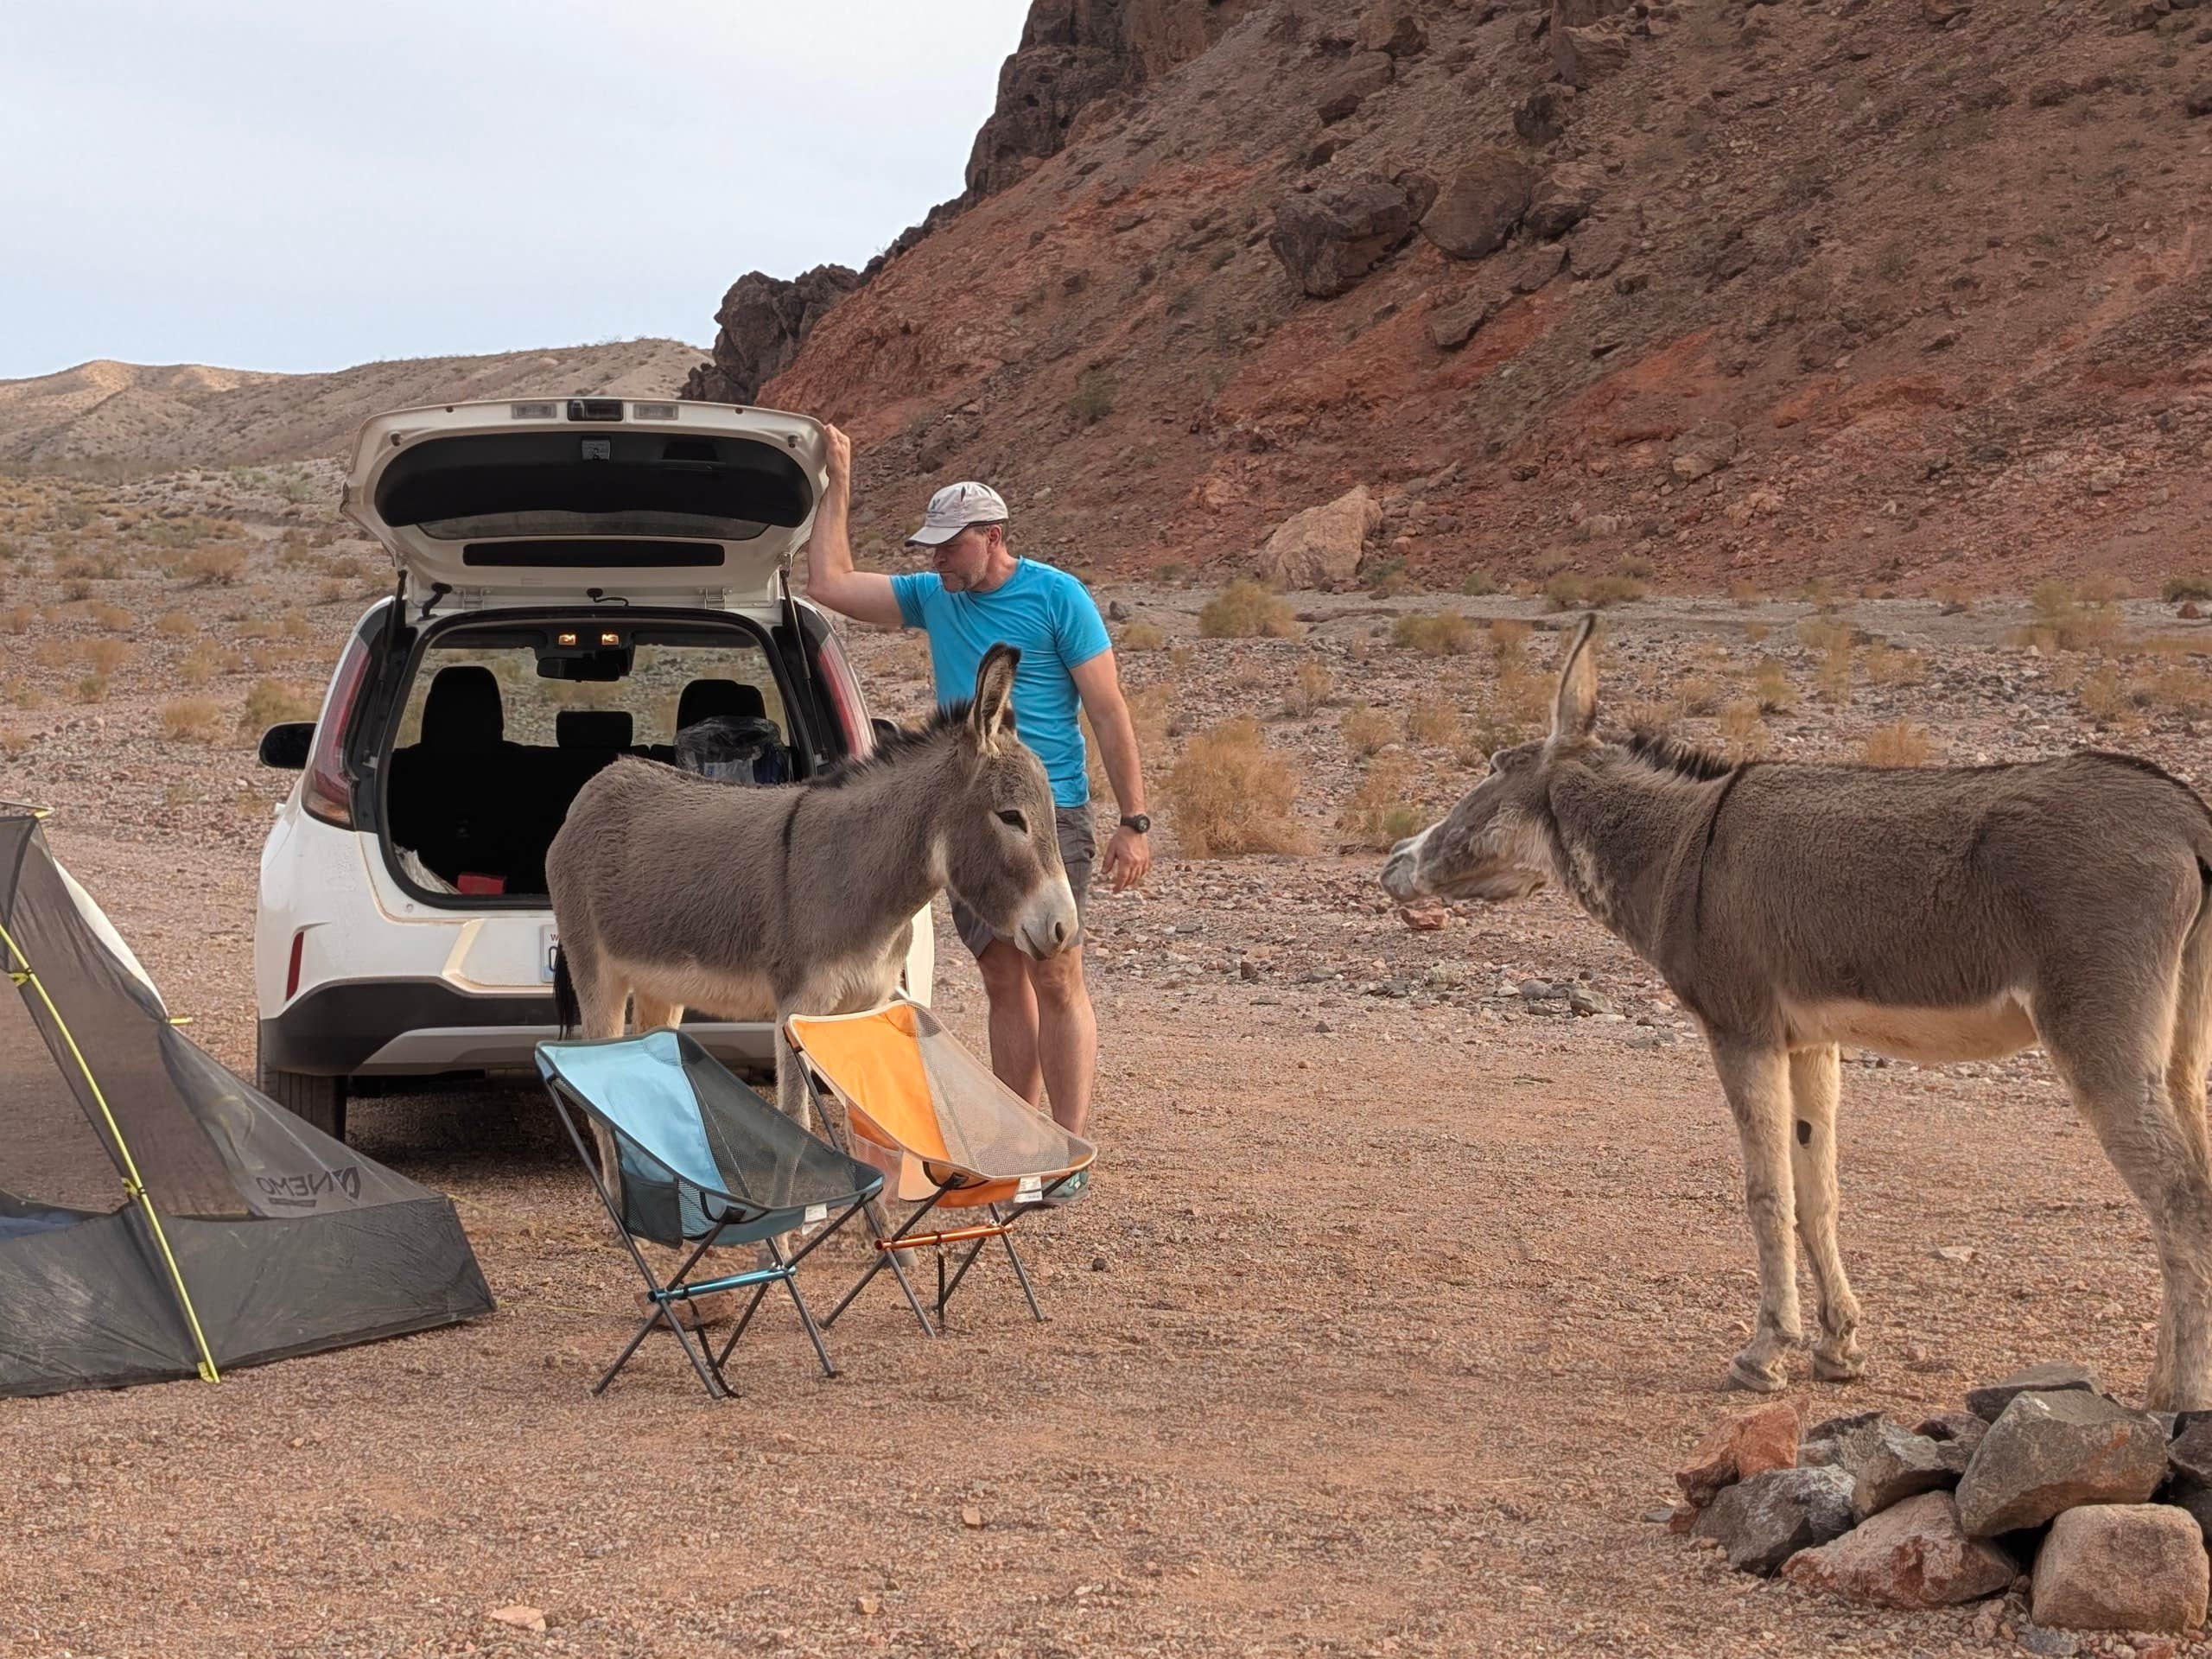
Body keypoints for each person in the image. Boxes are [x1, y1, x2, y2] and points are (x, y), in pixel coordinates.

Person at [803, 424, 1149, 1142]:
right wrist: (839, 480)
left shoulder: (1058, 597)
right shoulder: (935, 596)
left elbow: (1109, 710)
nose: (937, 558)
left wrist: (1133, 821)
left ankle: (1068, 1143)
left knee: (1055, 971)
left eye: (949, 545)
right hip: (970, 818)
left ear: (992, 536)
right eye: (931, 546)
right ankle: (1015, 1136)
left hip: (1047, 816)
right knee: (1000, 977)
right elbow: (828, 584)